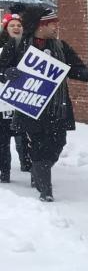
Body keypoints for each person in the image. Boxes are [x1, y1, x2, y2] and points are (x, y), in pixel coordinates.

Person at [0, 4, 88, 202]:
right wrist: (6, 73)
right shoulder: (17, 44)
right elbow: (1, 67)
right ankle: (46, 189)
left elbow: (76, 69)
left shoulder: (60, 47)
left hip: (57, 107)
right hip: (30, 107)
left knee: (57, 144)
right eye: (52, 24)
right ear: (40, 26)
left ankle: (39, 168)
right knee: (38, 145)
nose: (56, 27)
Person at [0, 13, 32, 183]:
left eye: (18, 25)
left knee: (23, 135)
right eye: (12, 25)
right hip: (2, 102)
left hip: (23, 99)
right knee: (3, 139)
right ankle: (4, 171)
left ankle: (27, 164)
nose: (16, 28)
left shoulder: (29, 47)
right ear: (6, 29)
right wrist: (4, 73)